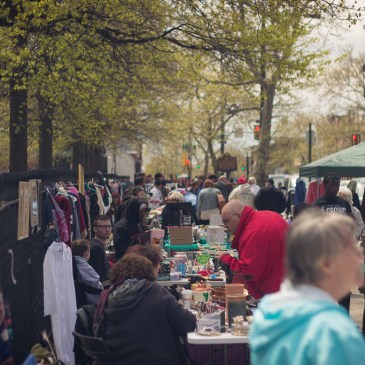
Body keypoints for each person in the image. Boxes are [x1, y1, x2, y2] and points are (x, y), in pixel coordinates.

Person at [250, 211, 365, 365]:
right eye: (352, 252)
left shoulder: (267, 310)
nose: (359, 258)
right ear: (326, 264)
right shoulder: (338, 332)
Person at [94, 248, 197, 365]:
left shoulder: (106, 297)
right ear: (148, 269)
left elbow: (97, 333)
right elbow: (188, 324)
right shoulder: (157, 293)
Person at [219, 200, 288, 300]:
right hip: (287, 283)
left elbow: (247, 272)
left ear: (238, 215)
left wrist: (225, 259)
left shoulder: (253, 232)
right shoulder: (266, 216)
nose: (225, 226)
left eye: (226, 221)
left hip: (274, 293)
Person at [72, 239, 103, 307]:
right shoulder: (85, 268)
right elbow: (96, 285)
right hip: (87, 303)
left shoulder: (71, 263)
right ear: (86, 253)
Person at [88, 215, 111, 286]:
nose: (107, 229)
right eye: (103, 227)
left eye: (109, 226)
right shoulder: (96, 247)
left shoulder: (97, 245)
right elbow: (95, 277)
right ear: (95, 229)